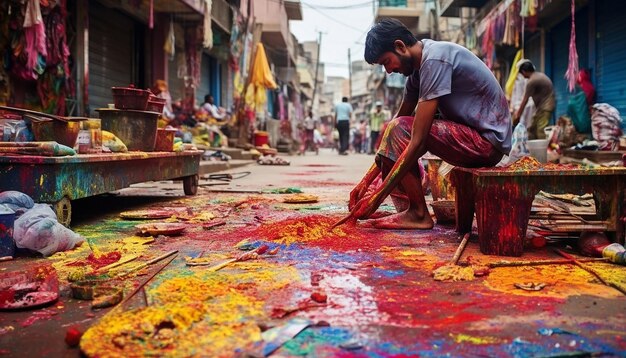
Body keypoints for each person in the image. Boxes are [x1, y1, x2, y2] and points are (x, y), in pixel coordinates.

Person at [345, 18, 512, 230]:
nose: (388, 71)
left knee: (400, 130)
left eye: (387, 62)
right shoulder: (417, 71)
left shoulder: (435, 60)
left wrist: (377, 196)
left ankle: (418, 213)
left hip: (486, 143)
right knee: (394, 131)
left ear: (400, 46)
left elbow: (416, 138)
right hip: (470, 138)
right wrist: (365, 183)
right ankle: (410, 210)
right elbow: (392, 133)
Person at [514, 59, 555, 139]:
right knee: (532, 129)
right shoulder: (539, 76)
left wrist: (517, 115)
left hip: (546, 107)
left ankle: (542, 150)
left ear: (524, 71)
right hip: (542, 107)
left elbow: (525, 100)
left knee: (540, 129)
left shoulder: (532, 81)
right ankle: (533, 149)